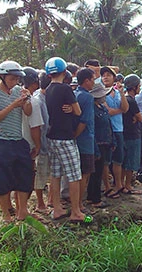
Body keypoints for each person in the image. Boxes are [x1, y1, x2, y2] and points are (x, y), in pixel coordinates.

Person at [45, 56, 92, 224]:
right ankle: (76, 211)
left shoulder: (48, 89)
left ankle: (57, 208)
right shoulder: (65, 89)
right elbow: (78, 112)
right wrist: (72, 107)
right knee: (74, 175)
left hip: (52, 136)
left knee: (56, 174)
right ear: (65, 72)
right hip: (65, 137)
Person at [0, 60, 33, 222]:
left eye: (17, 79)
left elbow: (28, 112)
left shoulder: (18, 91)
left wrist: (26, 100)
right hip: (1, 139)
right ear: (2, 77)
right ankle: (6, 215)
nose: (15, 82)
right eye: (12, 78)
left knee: (24, 175)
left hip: (18, 138)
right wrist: (13, 105)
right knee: (2, 177)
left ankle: (22, 211)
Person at [102, 66, 129, 199]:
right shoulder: (100, 92)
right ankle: (107, 186)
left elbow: (125, 108)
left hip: (118, 129)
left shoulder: (117, 92)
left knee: (118, 158)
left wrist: (122, 93)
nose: (105, 77)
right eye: (103, 75)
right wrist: (119, 110)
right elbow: (109, 111)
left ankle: (118, 184)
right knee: (106, 160)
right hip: (107, 130)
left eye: (108, 75)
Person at [21, 67, 46, 212]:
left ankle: (18, 209)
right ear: (35, 83)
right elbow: (35, 128)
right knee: (27, 180)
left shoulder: (15, 96)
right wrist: (38, 146)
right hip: (28, 144)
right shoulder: (33, 102)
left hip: (17, 142)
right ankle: (23, 211)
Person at [73, 68, 96, 211]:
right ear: (86, 80)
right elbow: (84, 120)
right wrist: (76, 135)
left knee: (78, 173)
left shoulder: (75, 94)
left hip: (79, 139)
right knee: (84, 173)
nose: (94, 82)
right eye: (93, 79)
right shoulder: (87, 97)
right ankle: (79, 203)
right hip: (85, 139)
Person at [88, 81, 113, 208]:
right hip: (98, 143)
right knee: (96, 172)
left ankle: (92, 196)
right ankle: (95, 199)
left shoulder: (102, 107)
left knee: (98, 170)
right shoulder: (92, 109)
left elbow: (108, 123)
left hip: (105, 142)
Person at [33, 71, 51, 212]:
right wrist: (38, 145)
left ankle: (50, 200)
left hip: (49, 141)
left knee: (50, 174)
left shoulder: (47, 97)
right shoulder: (38, 100)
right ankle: (40, 203)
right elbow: (38, 126)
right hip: (41, 143)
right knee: (40, 174)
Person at [121, 74, 142, 194]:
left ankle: (122, 184)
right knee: (131, 162)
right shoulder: (131, 101)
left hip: (125, 133)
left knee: (124, 161)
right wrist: (136, 117)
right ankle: (128, 184)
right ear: (134, 87)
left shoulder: (124, 99)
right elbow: (140, 117)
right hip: (133, 134)